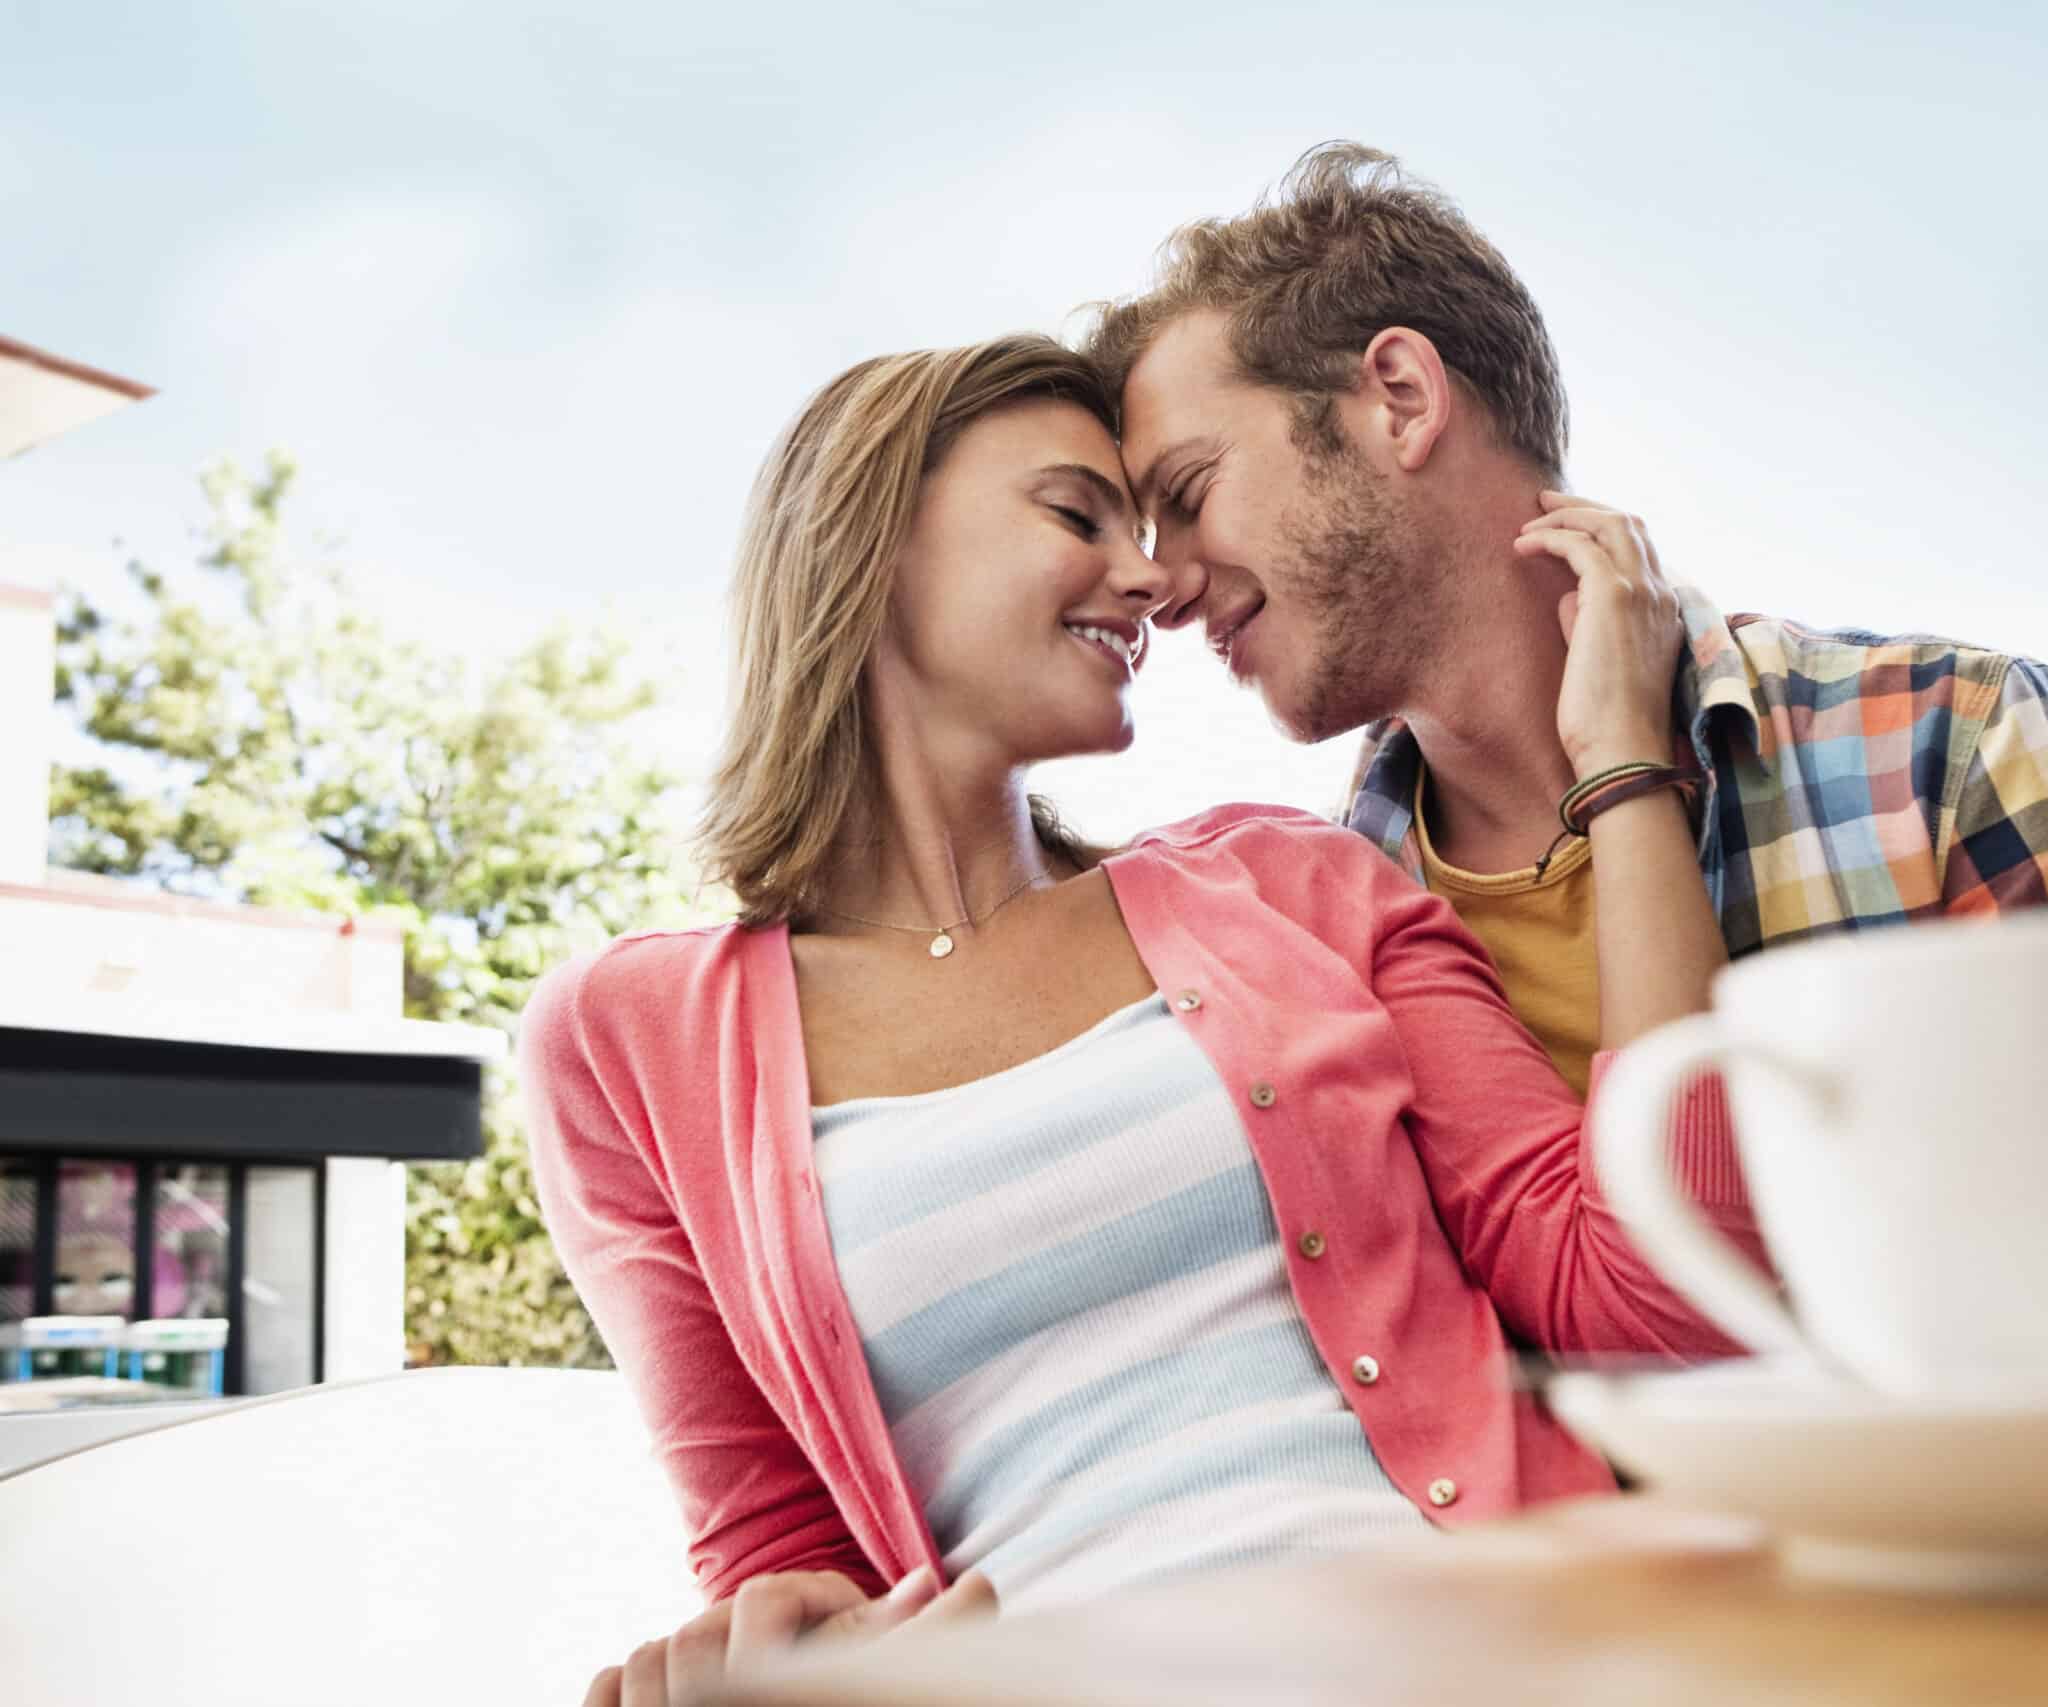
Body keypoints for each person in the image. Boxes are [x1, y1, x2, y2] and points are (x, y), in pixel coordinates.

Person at [525, 335, 1765, 1706]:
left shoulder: (1295, 882)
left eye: (1152, 527)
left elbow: (1657, 1299)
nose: (1152, 578)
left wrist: (1625, 765)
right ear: (867, 537)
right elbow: (787, 1566)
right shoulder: (624, 1041)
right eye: (1078, 516)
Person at [1086, 144, 2048, 1098]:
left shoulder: (1946, 747)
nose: (1164, 585)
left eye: (1187, 495)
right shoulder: (1320, 942)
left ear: (1402, 400)